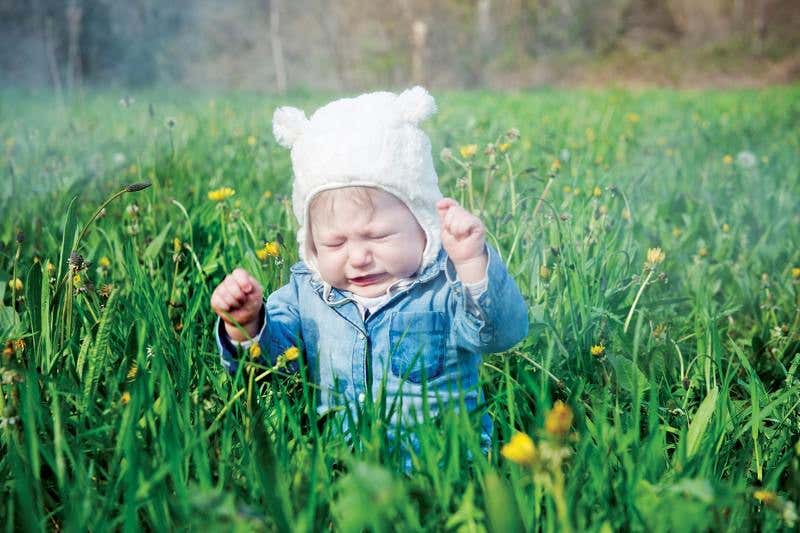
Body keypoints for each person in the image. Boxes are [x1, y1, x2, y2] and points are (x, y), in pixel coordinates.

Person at [210, 86, 528, 451]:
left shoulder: (444, 286)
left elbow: (501, 335)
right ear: (312, 244)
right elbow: (275, 368)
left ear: (423, 225)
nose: (358, 257)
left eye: (378, 236)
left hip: (443, 459)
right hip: (342, 462)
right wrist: (246, 325)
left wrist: (471, 264)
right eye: (335, 243)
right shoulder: (304, 294)